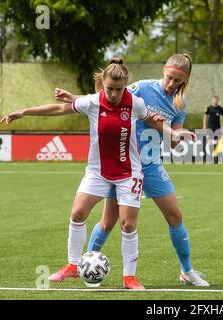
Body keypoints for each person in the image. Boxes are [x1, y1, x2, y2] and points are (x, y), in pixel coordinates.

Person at [0, 58, 187, 290]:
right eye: (110, 89)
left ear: (125, 86)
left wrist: (173, 133)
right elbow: (60, 108)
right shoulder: (93, 102)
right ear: (103, 84)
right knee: (78, 213)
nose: (114, 94)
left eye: (119, 90)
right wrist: (24, 111)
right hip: (98, 172)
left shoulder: (135, 103)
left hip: (129, 173)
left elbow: (154, 121)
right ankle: (72, 266)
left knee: (127, 225)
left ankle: (130, 279)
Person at [55, 53, 209, 286]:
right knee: (108, 222)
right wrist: (75, 98)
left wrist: (179, 136)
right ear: (163, 71)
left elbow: (173, 141)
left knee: (175, 216)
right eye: (169, 77)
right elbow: (107, 99)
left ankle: (186, 271)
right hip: (124, 165)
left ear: (184, 81)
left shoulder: (180, 104)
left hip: (153, 166)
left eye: (177, 81)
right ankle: (84, 265)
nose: (171, 84)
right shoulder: (141, 89)